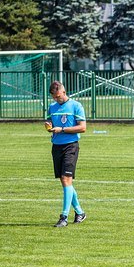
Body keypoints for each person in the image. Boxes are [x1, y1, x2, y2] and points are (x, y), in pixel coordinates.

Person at [46, 81, 88, 227]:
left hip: (71, 146)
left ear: (64, 92)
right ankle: (80, 212)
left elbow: (82, 128)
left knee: (66, 179)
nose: (56, 99)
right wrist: (49, 126)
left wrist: (62, 129)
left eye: (58, 96)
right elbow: (50, 121)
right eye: (54, 97)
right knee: (65, 182)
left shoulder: (76, 106)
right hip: (56, 146)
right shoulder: (52, 107)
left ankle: (64, 217)